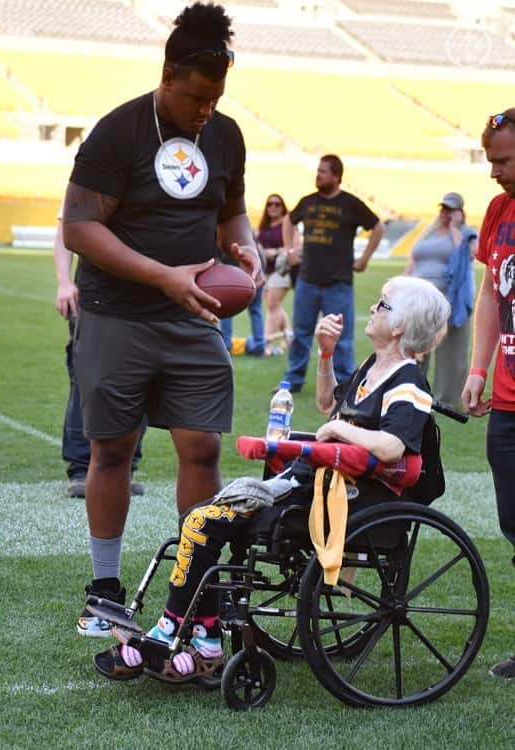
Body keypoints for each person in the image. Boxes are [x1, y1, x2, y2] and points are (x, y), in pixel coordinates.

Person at [93, 275, 450, 682]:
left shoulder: (409, 382)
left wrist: (338, 433)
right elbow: (327, 405)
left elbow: (391, 447)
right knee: (202, 521)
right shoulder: (374, 367)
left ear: (401, 326)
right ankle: (202, 637)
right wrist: (326, 355)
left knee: (201, 522)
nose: (372, 309)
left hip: (350, 497)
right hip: (318, 482)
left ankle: (176, 631)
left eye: (383, 305)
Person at [62, 3, 263, 637]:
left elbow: (230, 210)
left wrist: (247, 247)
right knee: (113, 449)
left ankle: (193, 590)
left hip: (196, 313)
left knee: (202, 447)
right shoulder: (118, 131)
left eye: (217, 97)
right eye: (197, 97)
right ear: (168, 75)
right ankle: (104, 588)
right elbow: (79, 227)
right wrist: (160, 276)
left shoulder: (226, 135)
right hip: (117, 313)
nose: (206, 110)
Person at [461, 108, 515, 680]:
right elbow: (490, 295)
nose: (493, 172)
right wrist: (479, 367)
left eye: (502, 160)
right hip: (506, 401)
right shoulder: (499, 210)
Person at [53, 218, 146, 498]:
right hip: (95, 293)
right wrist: (64, 282)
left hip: (146, 293)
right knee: (88, 379)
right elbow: (66, 229)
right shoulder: (94, 177)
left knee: (140, 378)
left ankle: (126, 466)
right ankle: (81, 468)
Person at [281, 155, 385, 391]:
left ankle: (344, 383)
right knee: (301, 333)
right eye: (318, 171)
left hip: (338, 283)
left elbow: (378, 227)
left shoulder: (351, 204)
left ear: (337, 176)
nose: (318, 175)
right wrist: (289, 251)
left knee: (342, 339)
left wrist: (365, 258)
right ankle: (293, 380)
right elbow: (288, 221)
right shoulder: (307, 202)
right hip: (307, 280)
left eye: (323, 172)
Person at [405, 192, 477, 404]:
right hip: (418, 298)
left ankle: (446, 397)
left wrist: (455, 227)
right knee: (415, 346)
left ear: (459, 212)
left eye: (450, 209)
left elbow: (467, 255)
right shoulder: (429, 232)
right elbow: (414, 260)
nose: (445, 213)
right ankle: (412, 390)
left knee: (451, 352)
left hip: (448, 298)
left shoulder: (466, 232)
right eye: (443, 209)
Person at [257, 193, 302, 357]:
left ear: (283, 207)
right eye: (270, 204)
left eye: (277, 204)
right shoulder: (264, 226)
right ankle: (289, 337)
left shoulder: (288, 223)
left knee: (272, 305)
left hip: (282, 269)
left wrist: (275, 251)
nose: (273, 207)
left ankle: (266, 345)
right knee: (273, 305)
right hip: (266, 269)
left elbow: (296, 245)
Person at [219, 235, 265, 356]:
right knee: (256, 310)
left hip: (233, 275)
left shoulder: (223, 234)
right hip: (254, 272)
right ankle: (260, 345)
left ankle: (226, 346)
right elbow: (261, 253)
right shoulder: (249, 234)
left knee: (226, 310)